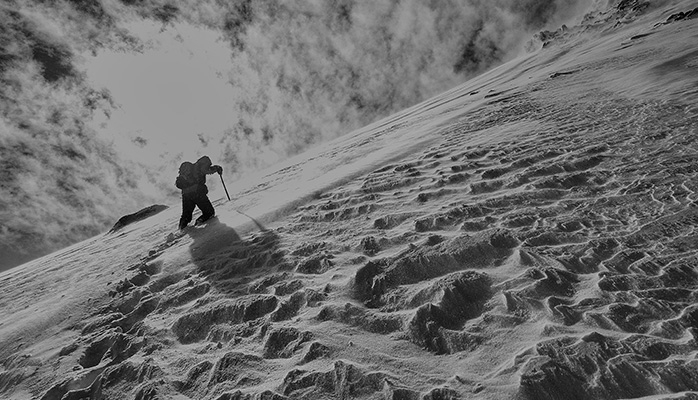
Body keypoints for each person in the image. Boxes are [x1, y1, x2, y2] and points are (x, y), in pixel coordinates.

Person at [175, 156, 223, 229]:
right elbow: (207, 170)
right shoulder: (200, 166)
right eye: (209, 164)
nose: (209, 165)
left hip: (186, 195)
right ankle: (199, 222)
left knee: (186, 215)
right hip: (197, 193)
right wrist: (217, 168)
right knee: (209, 212)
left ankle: (181, 228)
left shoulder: (191, 168)